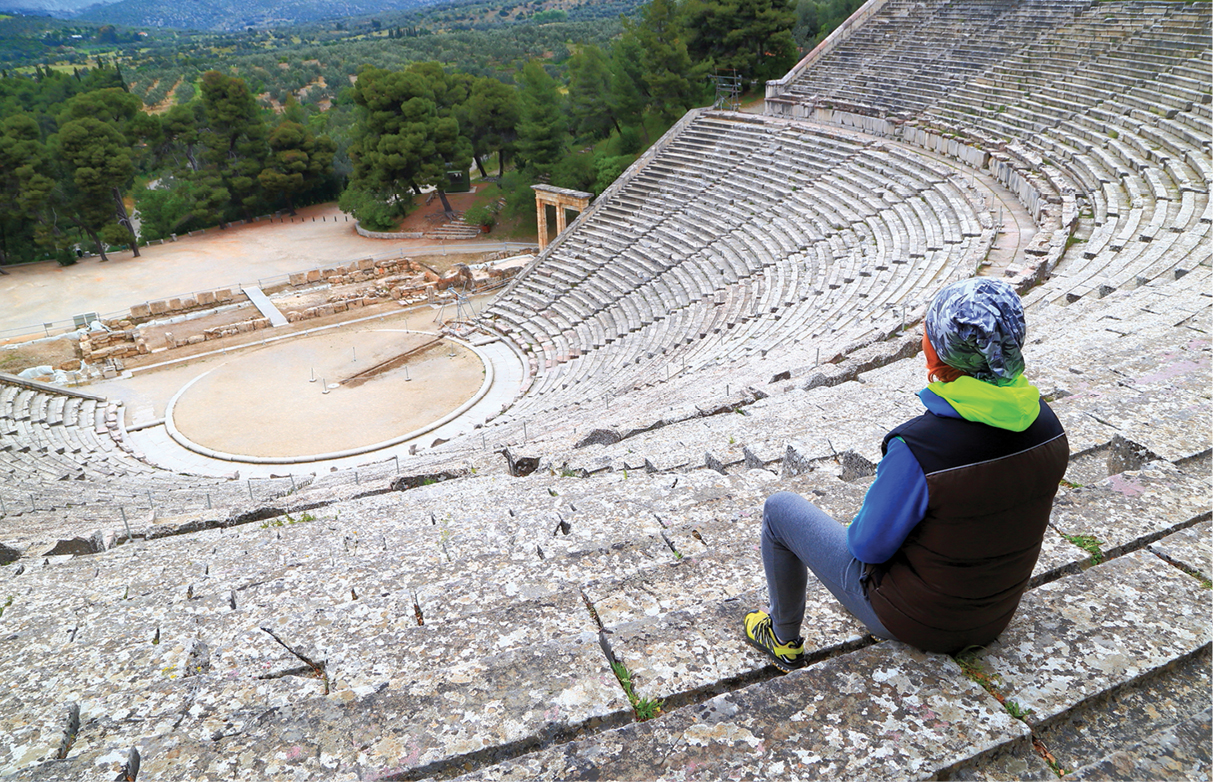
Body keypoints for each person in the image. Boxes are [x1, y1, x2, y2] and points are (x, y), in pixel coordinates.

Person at [744, 278, 1069, 670]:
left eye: (929, 334)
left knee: (780, 510)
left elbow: (866, 548)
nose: (922, 341)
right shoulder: (1050, 427)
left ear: (942, 356)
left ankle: (782, 638)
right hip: (994, 614)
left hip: (918, 621)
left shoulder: (920, 449)